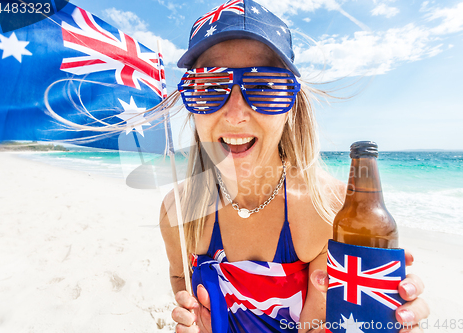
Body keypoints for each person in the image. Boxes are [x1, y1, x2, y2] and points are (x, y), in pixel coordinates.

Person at [159, 0, 430, 332]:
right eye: (211, 87)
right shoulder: (178, 210)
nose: (235, 114)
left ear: (291, 106)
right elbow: (178, 274)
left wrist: (385, 320)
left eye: (262, 87)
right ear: (192, 104)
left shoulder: (327, 212)